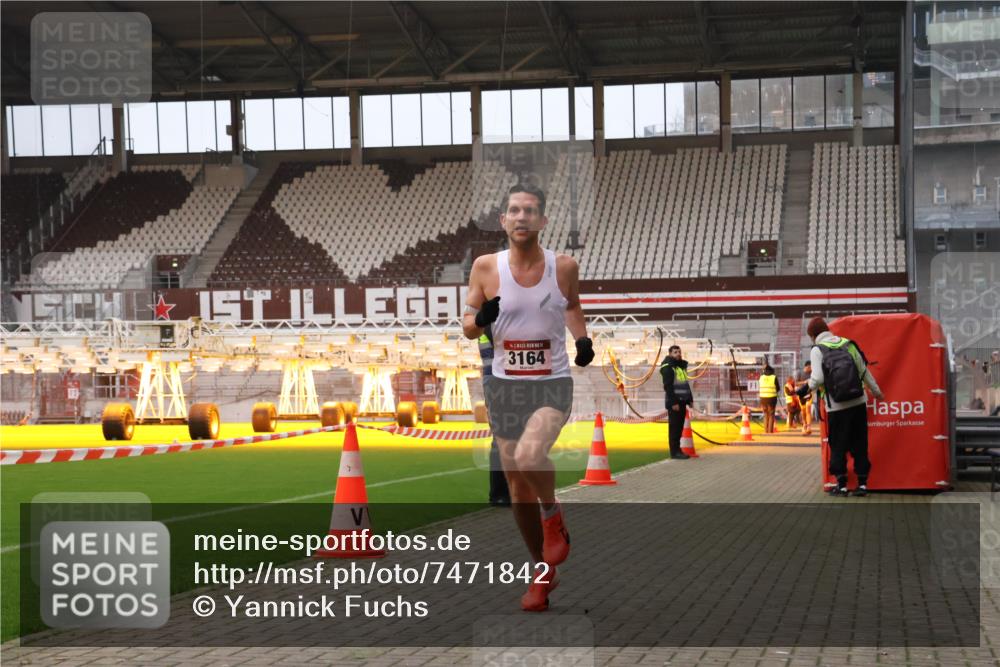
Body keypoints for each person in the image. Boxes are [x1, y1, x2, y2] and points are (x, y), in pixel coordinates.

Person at [463, 183, 594, 612]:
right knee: (517, 486)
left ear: (542, 220)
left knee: (529, 454)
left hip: (550, 381)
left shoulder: (565, 266)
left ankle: (553, 515)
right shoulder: (485, 267)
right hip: (504, 386)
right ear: (503, 220)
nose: (522, 217)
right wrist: (480, 319)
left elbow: (571, 305)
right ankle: (541, 573)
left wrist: (582, 339)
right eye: (514, 211)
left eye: (531, 211)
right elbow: (467, 322)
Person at [801, 317, 884, 498]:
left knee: (838, 445)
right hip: (858, 402)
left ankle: (842, 485)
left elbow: (818, 379)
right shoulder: (848, 344)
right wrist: (877, 393)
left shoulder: (817, 350)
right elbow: (864, 371)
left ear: (813, 335)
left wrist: (805, 388)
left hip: (836, 406)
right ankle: (862, 484)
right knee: (860, 443)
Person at [478, 325, 511, 507]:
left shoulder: (488, 317)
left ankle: (503, 493)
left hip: (498, 378)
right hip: (498, 379)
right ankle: (500, 493)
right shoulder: (493, 318)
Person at [660, 345, 693, 460]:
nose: (678, 354)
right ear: (670, 354)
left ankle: (678, 450)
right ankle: (674, 452)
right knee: (674, 429)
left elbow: (685, 384)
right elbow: (668, 386)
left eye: (679, 351)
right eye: (675, 352)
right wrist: (674, 403)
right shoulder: (668, 367)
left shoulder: (679, 367)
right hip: (675, 403)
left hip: (682, 401)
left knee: (679, 428)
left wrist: (690, 399)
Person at [758, 364, 779, 433]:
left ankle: (765, 431)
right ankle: (770, 431)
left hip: (763, 398)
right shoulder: (774, 377)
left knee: (765, 414)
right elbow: (778, 388)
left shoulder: (761, 377)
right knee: (771, 414)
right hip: (772, 398)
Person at [799, 360, 814, 435]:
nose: (811, 369)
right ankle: (804, 424)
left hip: (809, 394)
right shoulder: (799, 373)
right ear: (807, 366)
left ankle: (809, 427)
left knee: (808, 410)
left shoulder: (812, 374)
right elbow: (794, 383)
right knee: (803, 411)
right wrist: (804, 382)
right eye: (810, 367)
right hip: (801, 395)